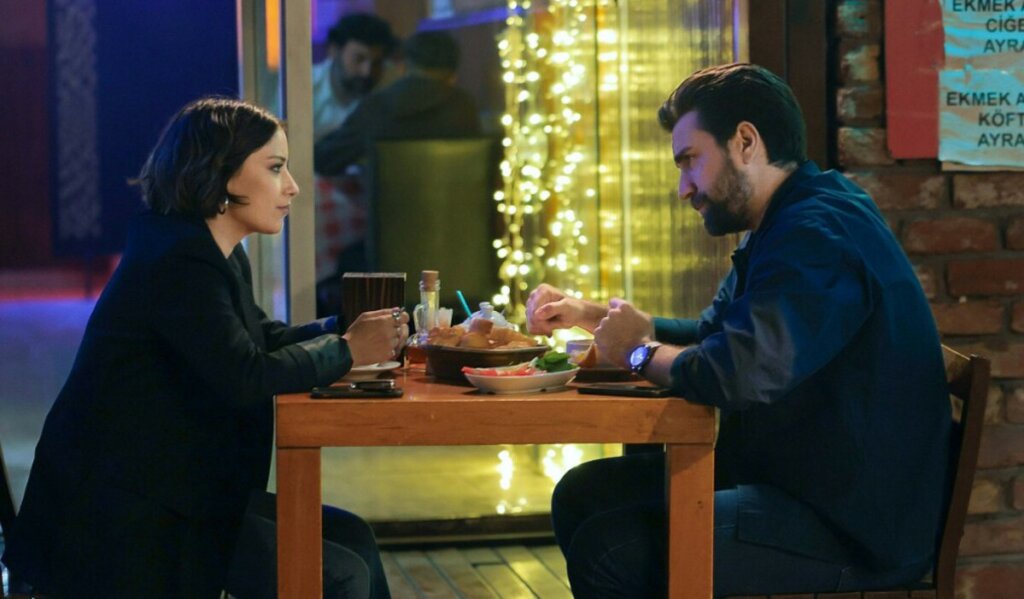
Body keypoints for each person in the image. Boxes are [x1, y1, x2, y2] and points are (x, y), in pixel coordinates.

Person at [526, 63, 951, 597]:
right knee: (582, 493)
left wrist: (637, 352)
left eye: (690, 160)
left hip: (850, 526)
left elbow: (734, 373)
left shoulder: (816, 233)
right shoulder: (788, 218)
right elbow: (716, 336)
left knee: (609, 551)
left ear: (745, 142)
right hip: (801, 483)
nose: (684, 188)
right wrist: (594, 317)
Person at [1, 97, 408, 598]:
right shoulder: (178, 260)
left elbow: (259, 338)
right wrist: (346, 350)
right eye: (275, 168)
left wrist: (343, 329)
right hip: (124, 518)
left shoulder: (207, 249)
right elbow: (246, 375)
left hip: (178, 491)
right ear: (222, 172)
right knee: (341, 574)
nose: (292, 186)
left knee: (354, 538)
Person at [312, 13, 398, 317]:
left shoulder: (389, 88)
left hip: (367, 194)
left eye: (376, 63)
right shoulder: (304, 88)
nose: (367, 71)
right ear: (334, 51)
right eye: (358, 59)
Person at [313, 30, 482, 177]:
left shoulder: (378, 107)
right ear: (454, 75)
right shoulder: (465, 107)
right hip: (459, 204)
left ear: (403, 66)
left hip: (387, 205)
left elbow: (323, 160)